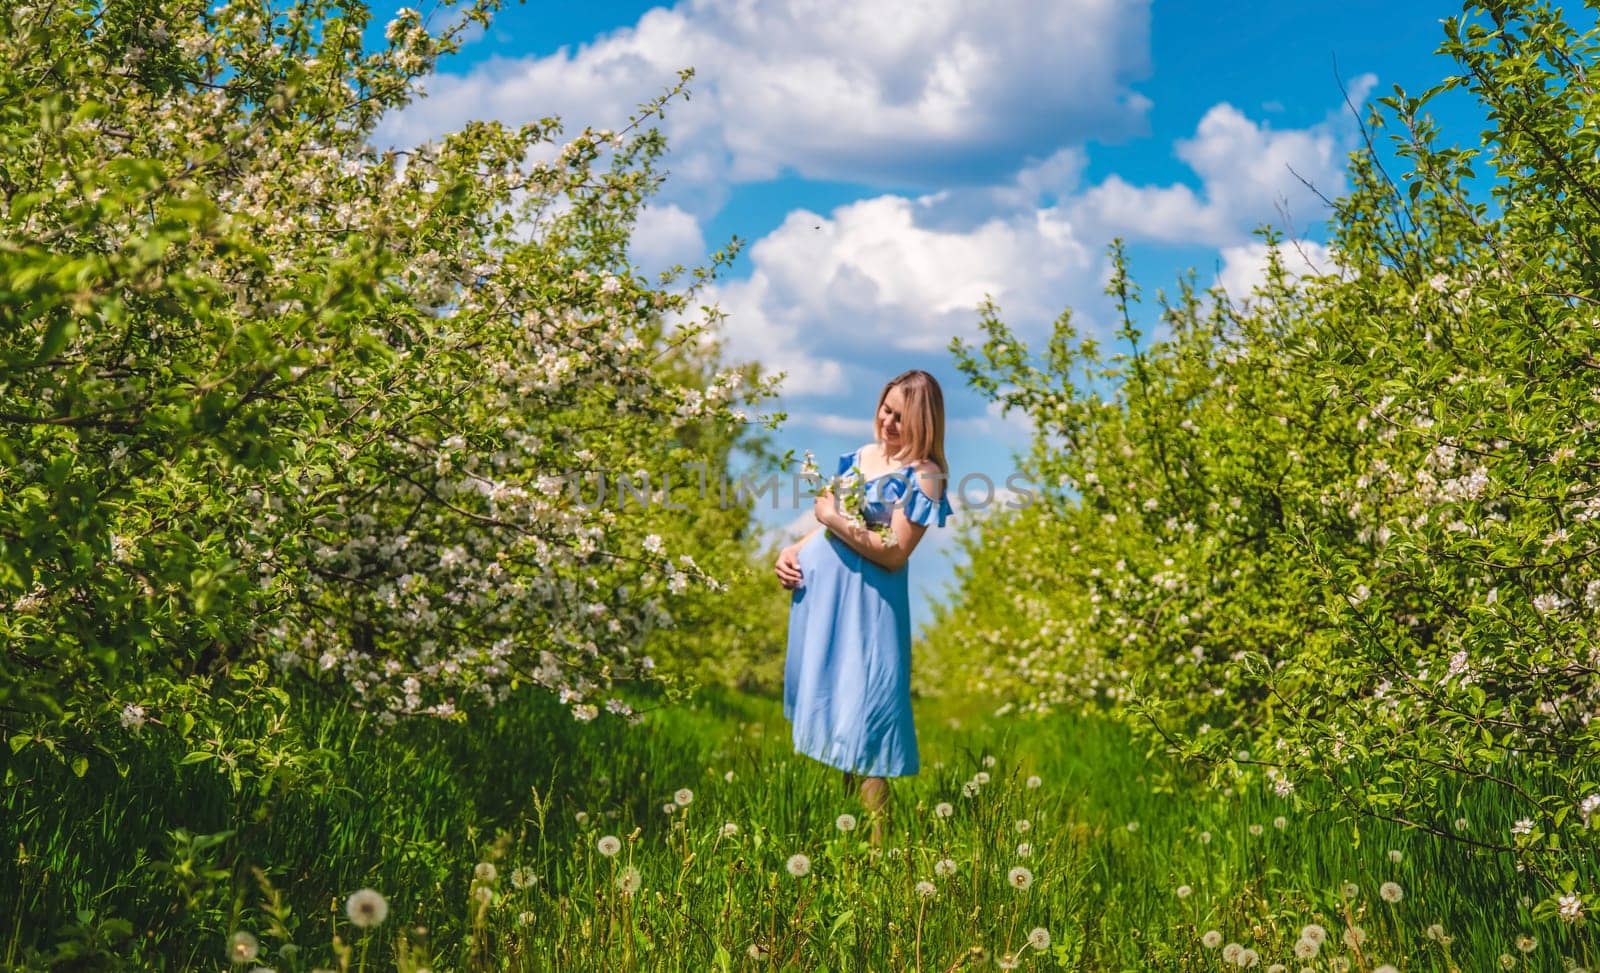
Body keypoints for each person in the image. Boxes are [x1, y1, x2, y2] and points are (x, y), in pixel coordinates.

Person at [773, 369, 954, 845]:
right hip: (826, 602)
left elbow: (894, 551)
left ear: (924, 422)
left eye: (901, 416)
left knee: (869, 723)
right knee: (842, 721)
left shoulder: (926, 476)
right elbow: (832, 524)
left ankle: (880, 859)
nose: (887, 422)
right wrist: (795, 548)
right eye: (885, 408)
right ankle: (847, 844)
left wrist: (829, 515)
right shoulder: (860, 456)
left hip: (871, 608)